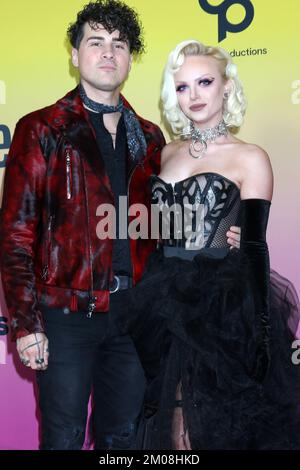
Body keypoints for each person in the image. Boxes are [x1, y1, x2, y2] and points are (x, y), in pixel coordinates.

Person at [0, 0, 167, 450]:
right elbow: (16, 234)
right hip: (65, 317)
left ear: (131, 58)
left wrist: (218, 235)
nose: (108, 52)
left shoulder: (150, 136)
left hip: (133, 316)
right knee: (63, 438)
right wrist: (26, 322)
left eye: (119, 43)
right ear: (75, 54)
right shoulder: (42, 129)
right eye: (96, 42)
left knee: (126, 439)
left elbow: (158, 227)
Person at [119, 39, 300, 450]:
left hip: (220, 304)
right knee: (168, 426)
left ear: (227, 87)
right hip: (161, 299)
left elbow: (254, 246)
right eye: (182, 87)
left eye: (204, 82)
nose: (193, 96)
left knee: (211, 428)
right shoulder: (164, 153)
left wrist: (261, 330)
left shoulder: (250, 157)